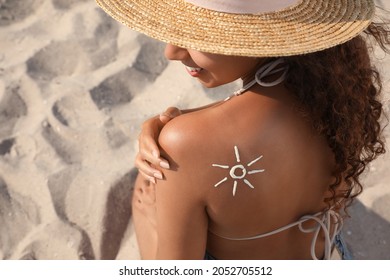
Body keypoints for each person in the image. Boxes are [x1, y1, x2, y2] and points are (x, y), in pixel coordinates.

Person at [96, 0, 389, 259]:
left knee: (146, 190)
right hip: (328, 258)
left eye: (197, 34)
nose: (171, 51)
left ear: (254, 36)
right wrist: (168, 121)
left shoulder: (182, 143)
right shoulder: (337, 85)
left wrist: (172, 135)